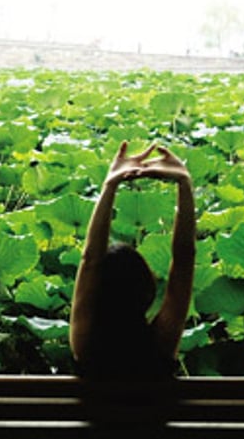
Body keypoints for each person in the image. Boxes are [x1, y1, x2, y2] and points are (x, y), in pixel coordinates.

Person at [69, 142, 196, 379]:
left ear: (97, 290)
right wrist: (184, 184)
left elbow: (90, 260)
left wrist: (110, 185)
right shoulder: (161, 341)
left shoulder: (85, 342)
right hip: (154, 417)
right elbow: (184, 259)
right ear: (148, 289)